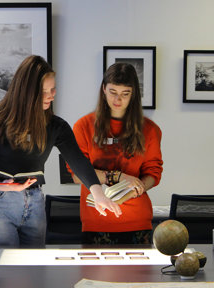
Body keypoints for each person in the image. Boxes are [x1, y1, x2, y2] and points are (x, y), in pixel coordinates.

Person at [0, 55, 121, 247]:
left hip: (35, 203)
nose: (51, 95)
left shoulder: (56, 126)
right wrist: (2, 185)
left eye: (52, 89)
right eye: (44, 91)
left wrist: (98, 194)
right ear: (26, 92)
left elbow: (78, 160)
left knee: (34, 272)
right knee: (1, 271)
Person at [69, 62, 163, 245]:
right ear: (103, 89)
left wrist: (139, 187)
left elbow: (154, 173)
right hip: (97, 221)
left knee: (138, 275)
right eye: (113, 92)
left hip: (137, 221)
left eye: (125, 94)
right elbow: (76, 175)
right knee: (94, 275)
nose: (118, 99)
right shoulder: (83, 126)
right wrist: (119, 177)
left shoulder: (150, 130)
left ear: (133, 94)